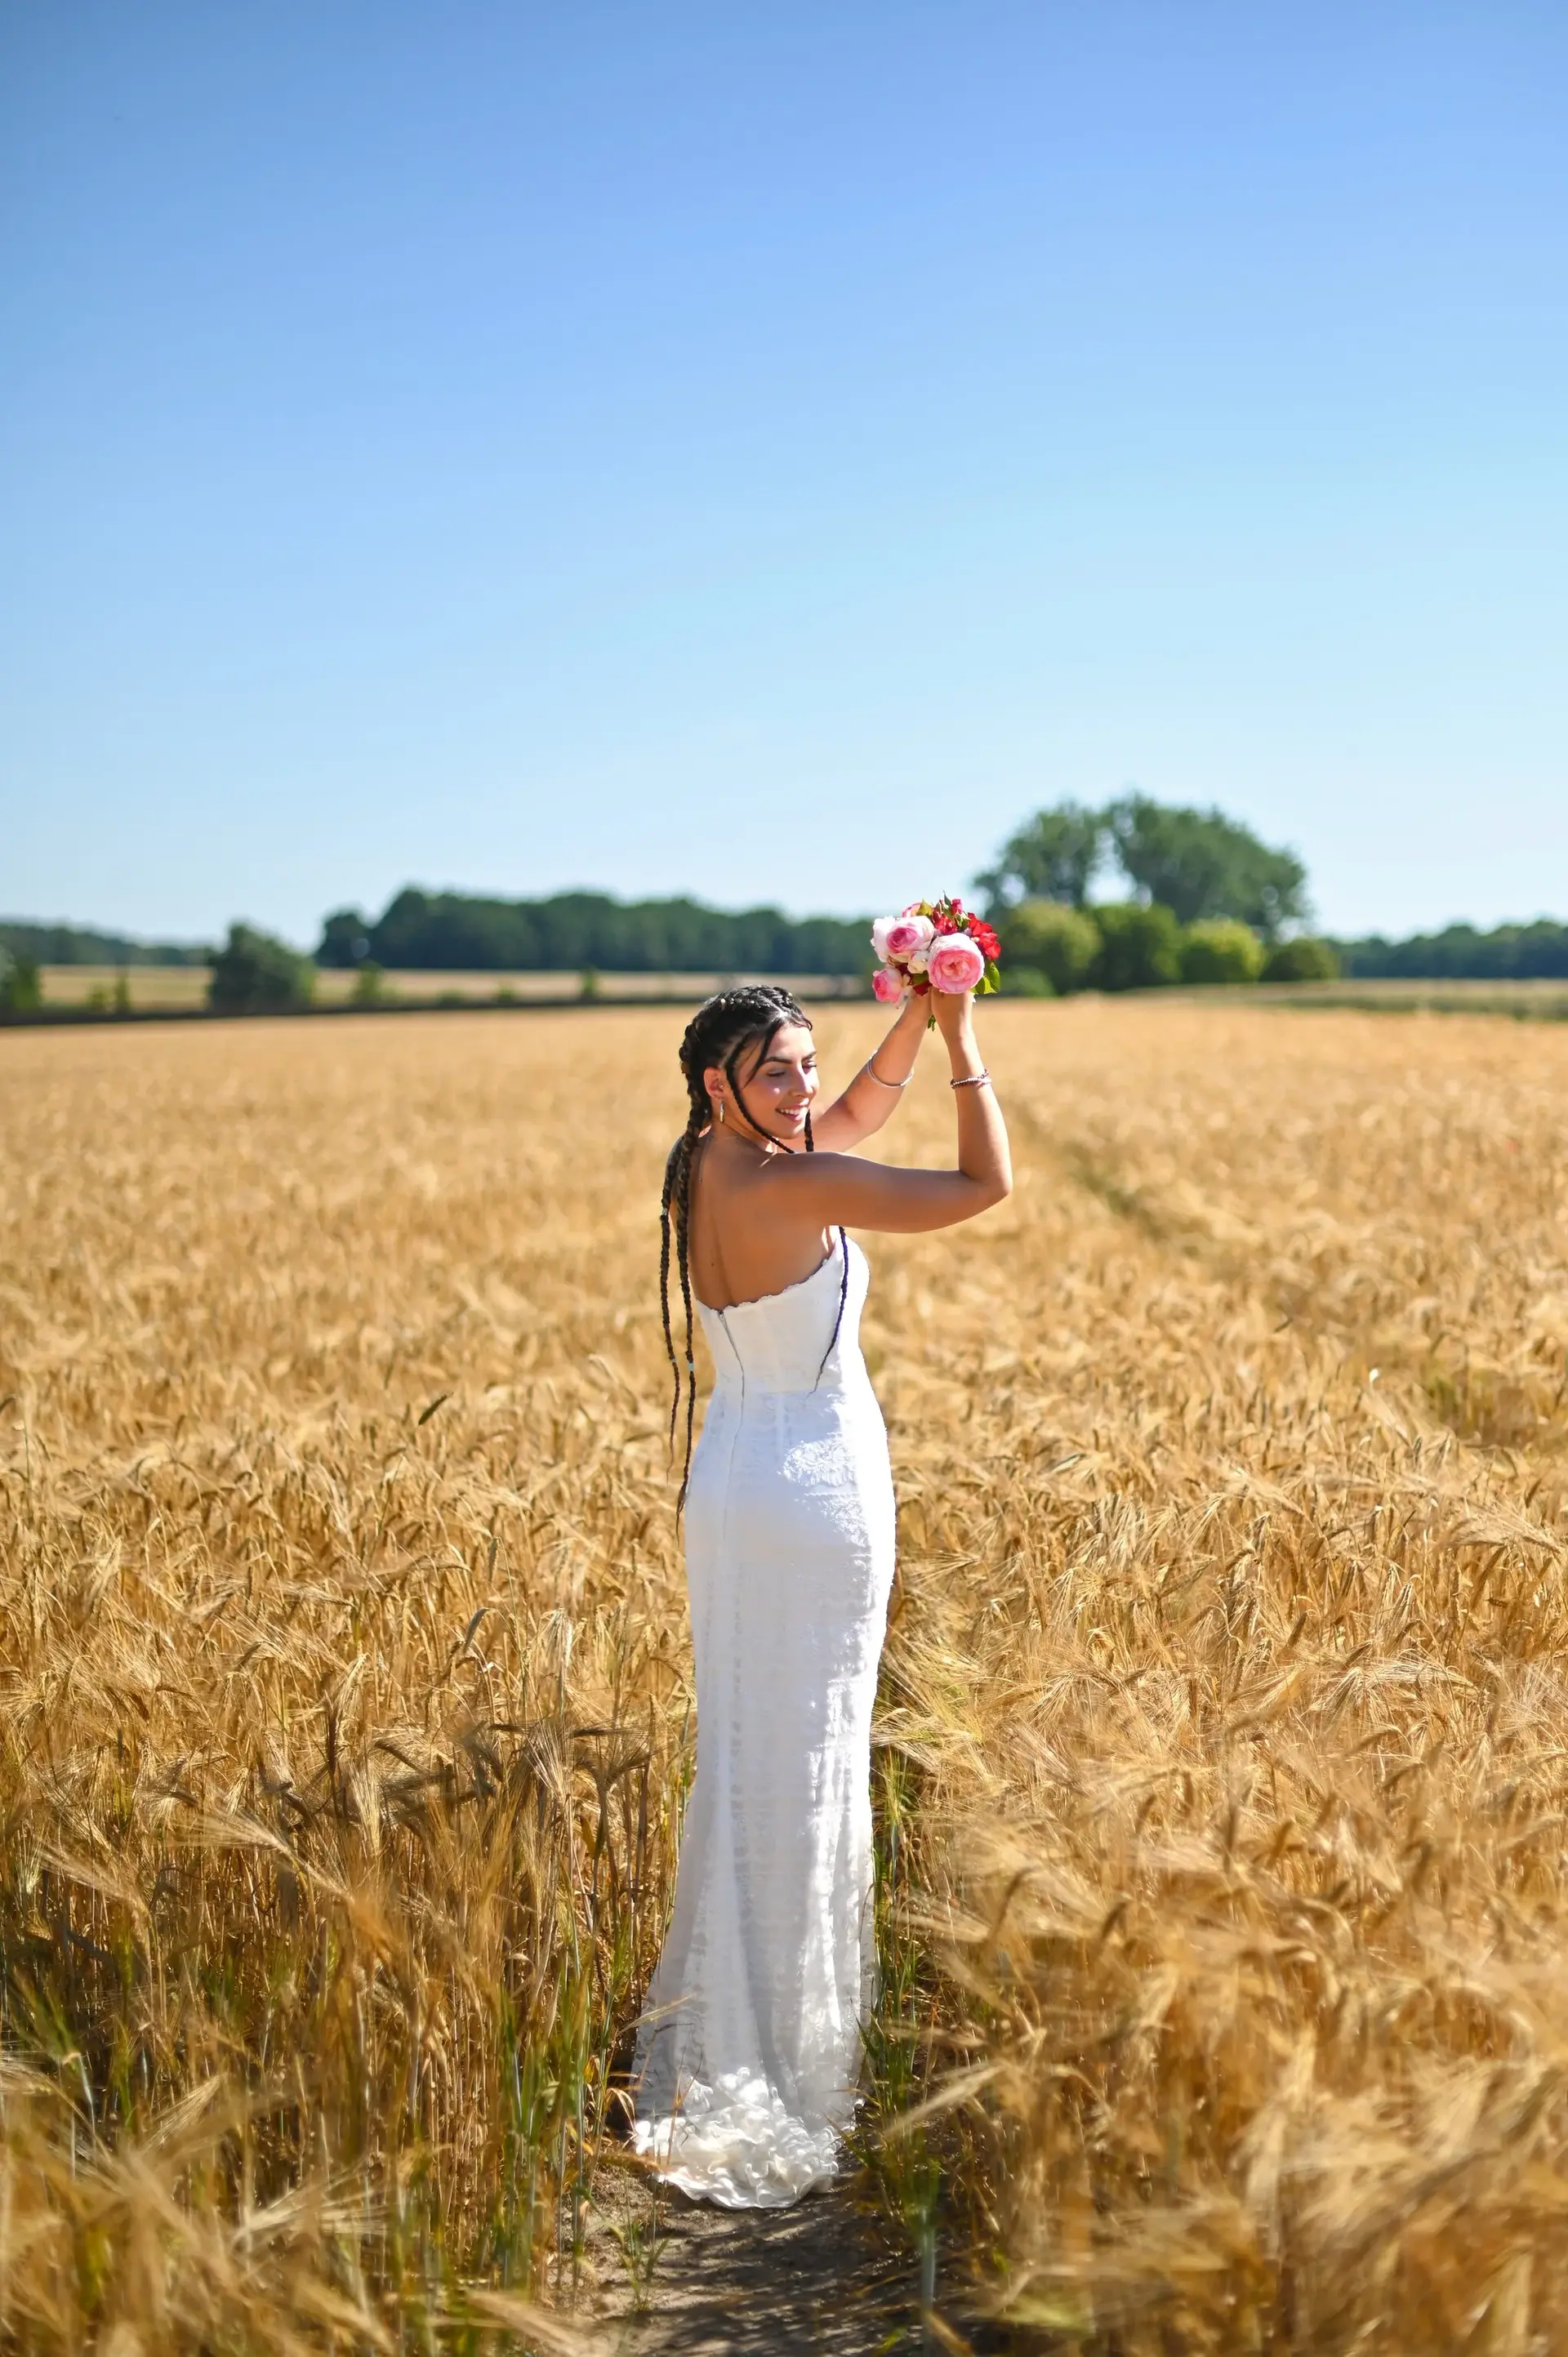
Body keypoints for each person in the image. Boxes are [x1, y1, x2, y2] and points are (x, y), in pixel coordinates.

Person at [630, 975, 1012, 2208]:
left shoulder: (710, 1167)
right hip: (816, 1494)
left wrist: (912, 1005)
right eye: (777, 1070)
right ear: (716, 1084)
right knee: (813, 1764)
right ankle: (791, 2066)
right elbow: (979, 1186)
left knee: (749, 1755)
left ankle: (722, 2042)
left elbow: (852, 1109)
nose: (803, 1089)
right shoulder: (796, 1183)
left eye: (805, 1062)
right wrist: (962, 1042)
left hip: (732, 1483)